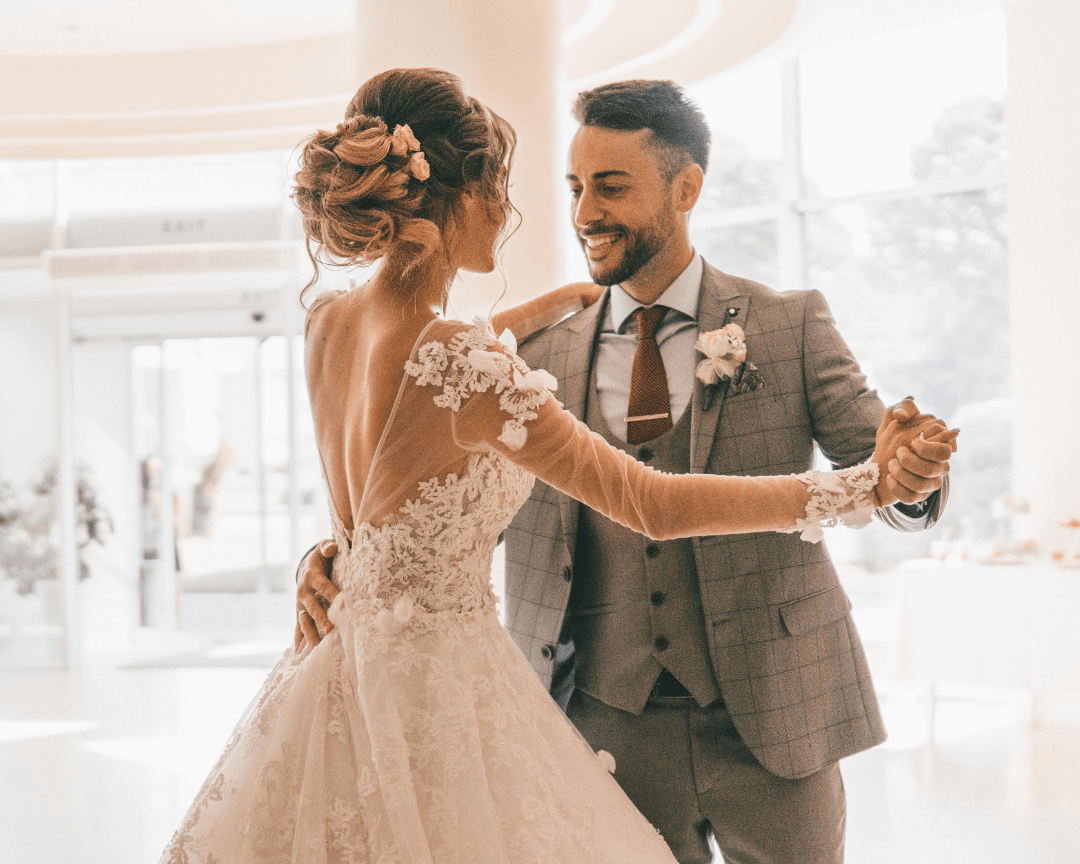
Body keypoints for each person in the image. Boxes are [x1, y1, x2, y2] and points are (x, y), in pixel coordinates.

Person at [174, 68, 954, 864]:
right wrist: (863, 485)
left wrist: (905, 483)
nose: (557, 211)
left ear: (686, 189)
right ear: (459, 193)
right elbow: (641, 499)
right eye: (523, 186)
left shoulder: (333, 322)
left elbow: (403, 430)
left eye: (606, 186)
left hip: (372, 676)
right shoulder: (483, 361)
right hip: (528, 710)